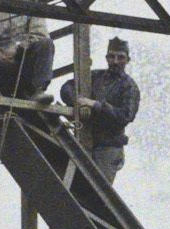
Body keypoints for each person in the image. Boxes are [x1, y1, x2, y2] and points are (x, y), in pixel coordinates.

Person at [60, 37, 140, 182]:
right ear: (106, 58)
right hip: (86, 140)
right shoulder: (96, 76)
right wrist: (78, 103)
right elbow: (67, 87)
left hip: (109, 147)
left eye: (120, 57)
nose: (115, 61)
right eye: (111, 56)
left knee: (99, 194)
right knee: (80, 189)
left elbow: (125, 116)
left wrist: (95, 105)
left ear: (128, 60)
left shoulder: (129, 87)